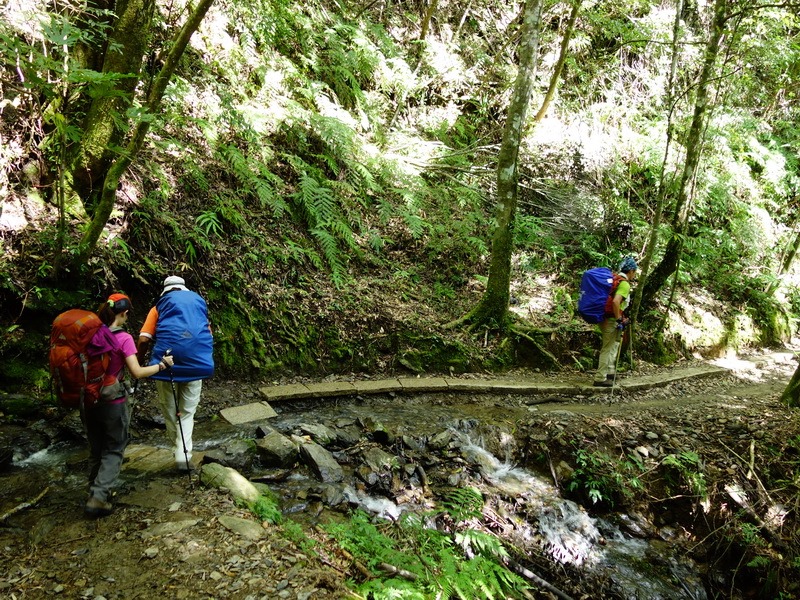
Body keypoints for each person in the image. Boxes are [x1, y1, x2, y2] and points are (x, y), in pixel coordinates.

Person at [84, 293, 175, 517]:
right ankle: (99, 497)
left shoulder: (90, 333)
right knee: (114, 448)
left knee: (96, 448)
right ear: (124, 313)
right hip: (112, 401)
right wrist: (163, 366)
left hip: (87, 398)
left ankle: (93, 491)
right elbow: (137, 372)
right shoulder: (123, 338)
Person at [137, 276, 214, 472]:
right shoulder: (198, 306)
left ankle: (178, 451)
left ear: (166, 292)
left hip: (166, 364)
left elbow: (144, 339)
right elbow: (208, 334)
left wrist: (138, 363)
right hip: (196, 364)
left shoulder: (159, 307)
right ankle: (184, 455)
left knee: (170, 409)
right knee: (187, 412)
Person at [593, 257, 637, 387]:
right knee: (607, 348)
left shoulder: (614, 279)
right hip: (611, 320)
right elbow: (615, 301)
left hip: (605, 317)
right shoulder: (624, 284)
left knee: (614, 344)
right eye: (634, 272)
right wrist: (619, 318)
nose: (634, 275)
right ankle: (600, 378)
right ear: (631, 271)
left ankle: (610, 372)